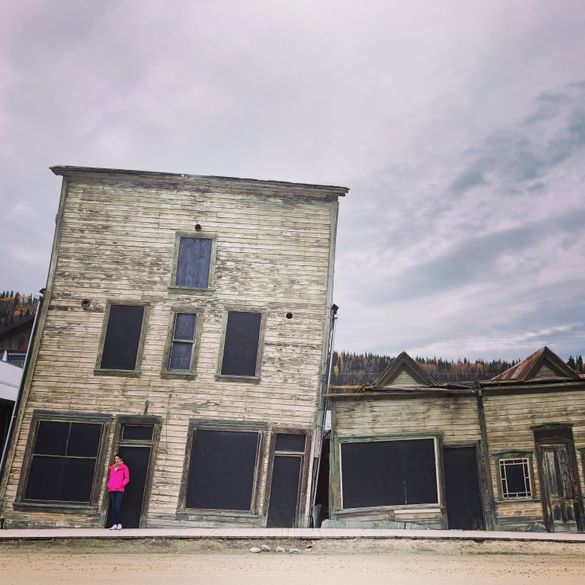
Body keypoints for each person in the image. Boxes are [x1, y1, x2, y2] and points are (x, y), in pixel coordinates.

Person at [107, 453, 130, 530]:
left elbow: (127, 478)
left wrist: (121, 485)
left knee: (117, 507)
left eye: (117, 459)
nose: (116, 460)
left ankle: (119, 523)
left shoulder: (124, 467)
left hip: (119, 490)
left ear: (121, 459)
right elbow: (110, 478)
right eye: (115, 459)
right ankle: (114, 524)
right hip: (111, 489)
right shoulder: (112, 468)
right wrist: (109, 485)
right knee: (113, 507)